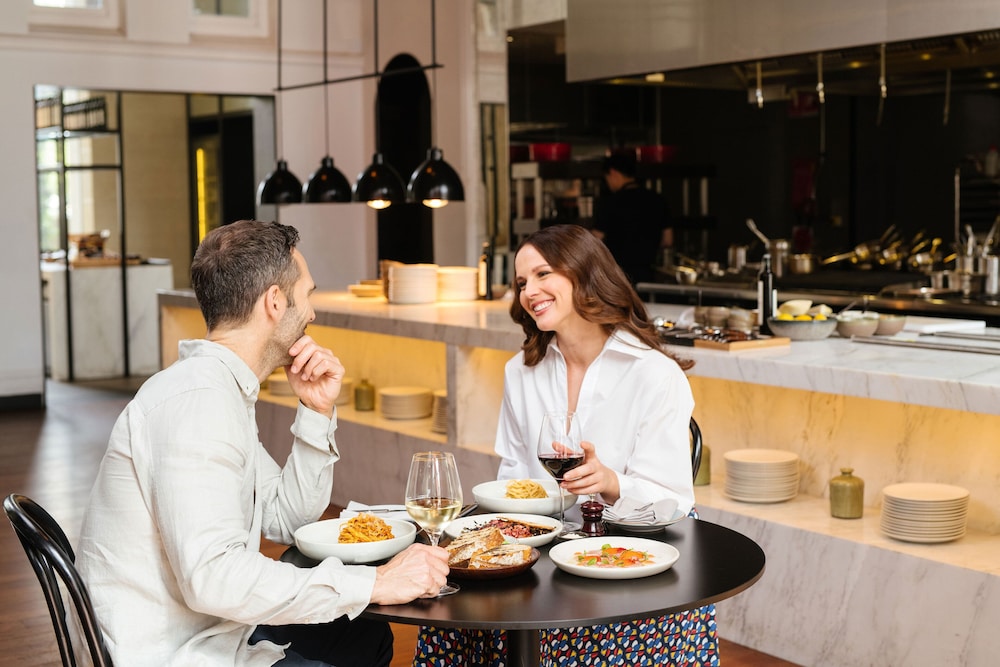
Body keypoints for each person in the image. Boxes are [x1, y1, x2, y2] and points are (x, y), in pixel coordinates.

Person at [77, 220, 450, 667]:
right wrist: (375, 583)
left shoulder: (217, 391)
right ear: (275, 301)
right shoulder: (198, 405)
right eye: (307, 294)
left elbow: (286, 516)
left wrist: (315, 410)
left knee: (362, 637)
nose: (312, 313)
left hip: (208, 627)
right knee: (357, 631)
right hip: (172, 651)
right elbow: (214, 578)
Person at [414, 224, 718, 666]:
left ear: (585, 274)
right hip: (542, 550)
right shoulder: (521, 371)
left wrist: (610, 482)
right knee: (450, 611)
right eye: (521, 282)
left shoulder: (653, 374)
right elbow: (513, 477)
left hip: (629, 554)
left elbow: (673, 502)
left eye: (543, 274)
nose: (528, 291)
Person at [593, 150, 671, 285]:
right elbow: (668, 241)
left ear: (613, 173)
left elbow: (595, 241)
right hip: (648, 276)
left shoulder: (610, 203)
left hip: (617, 278)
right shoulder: (658, 200)